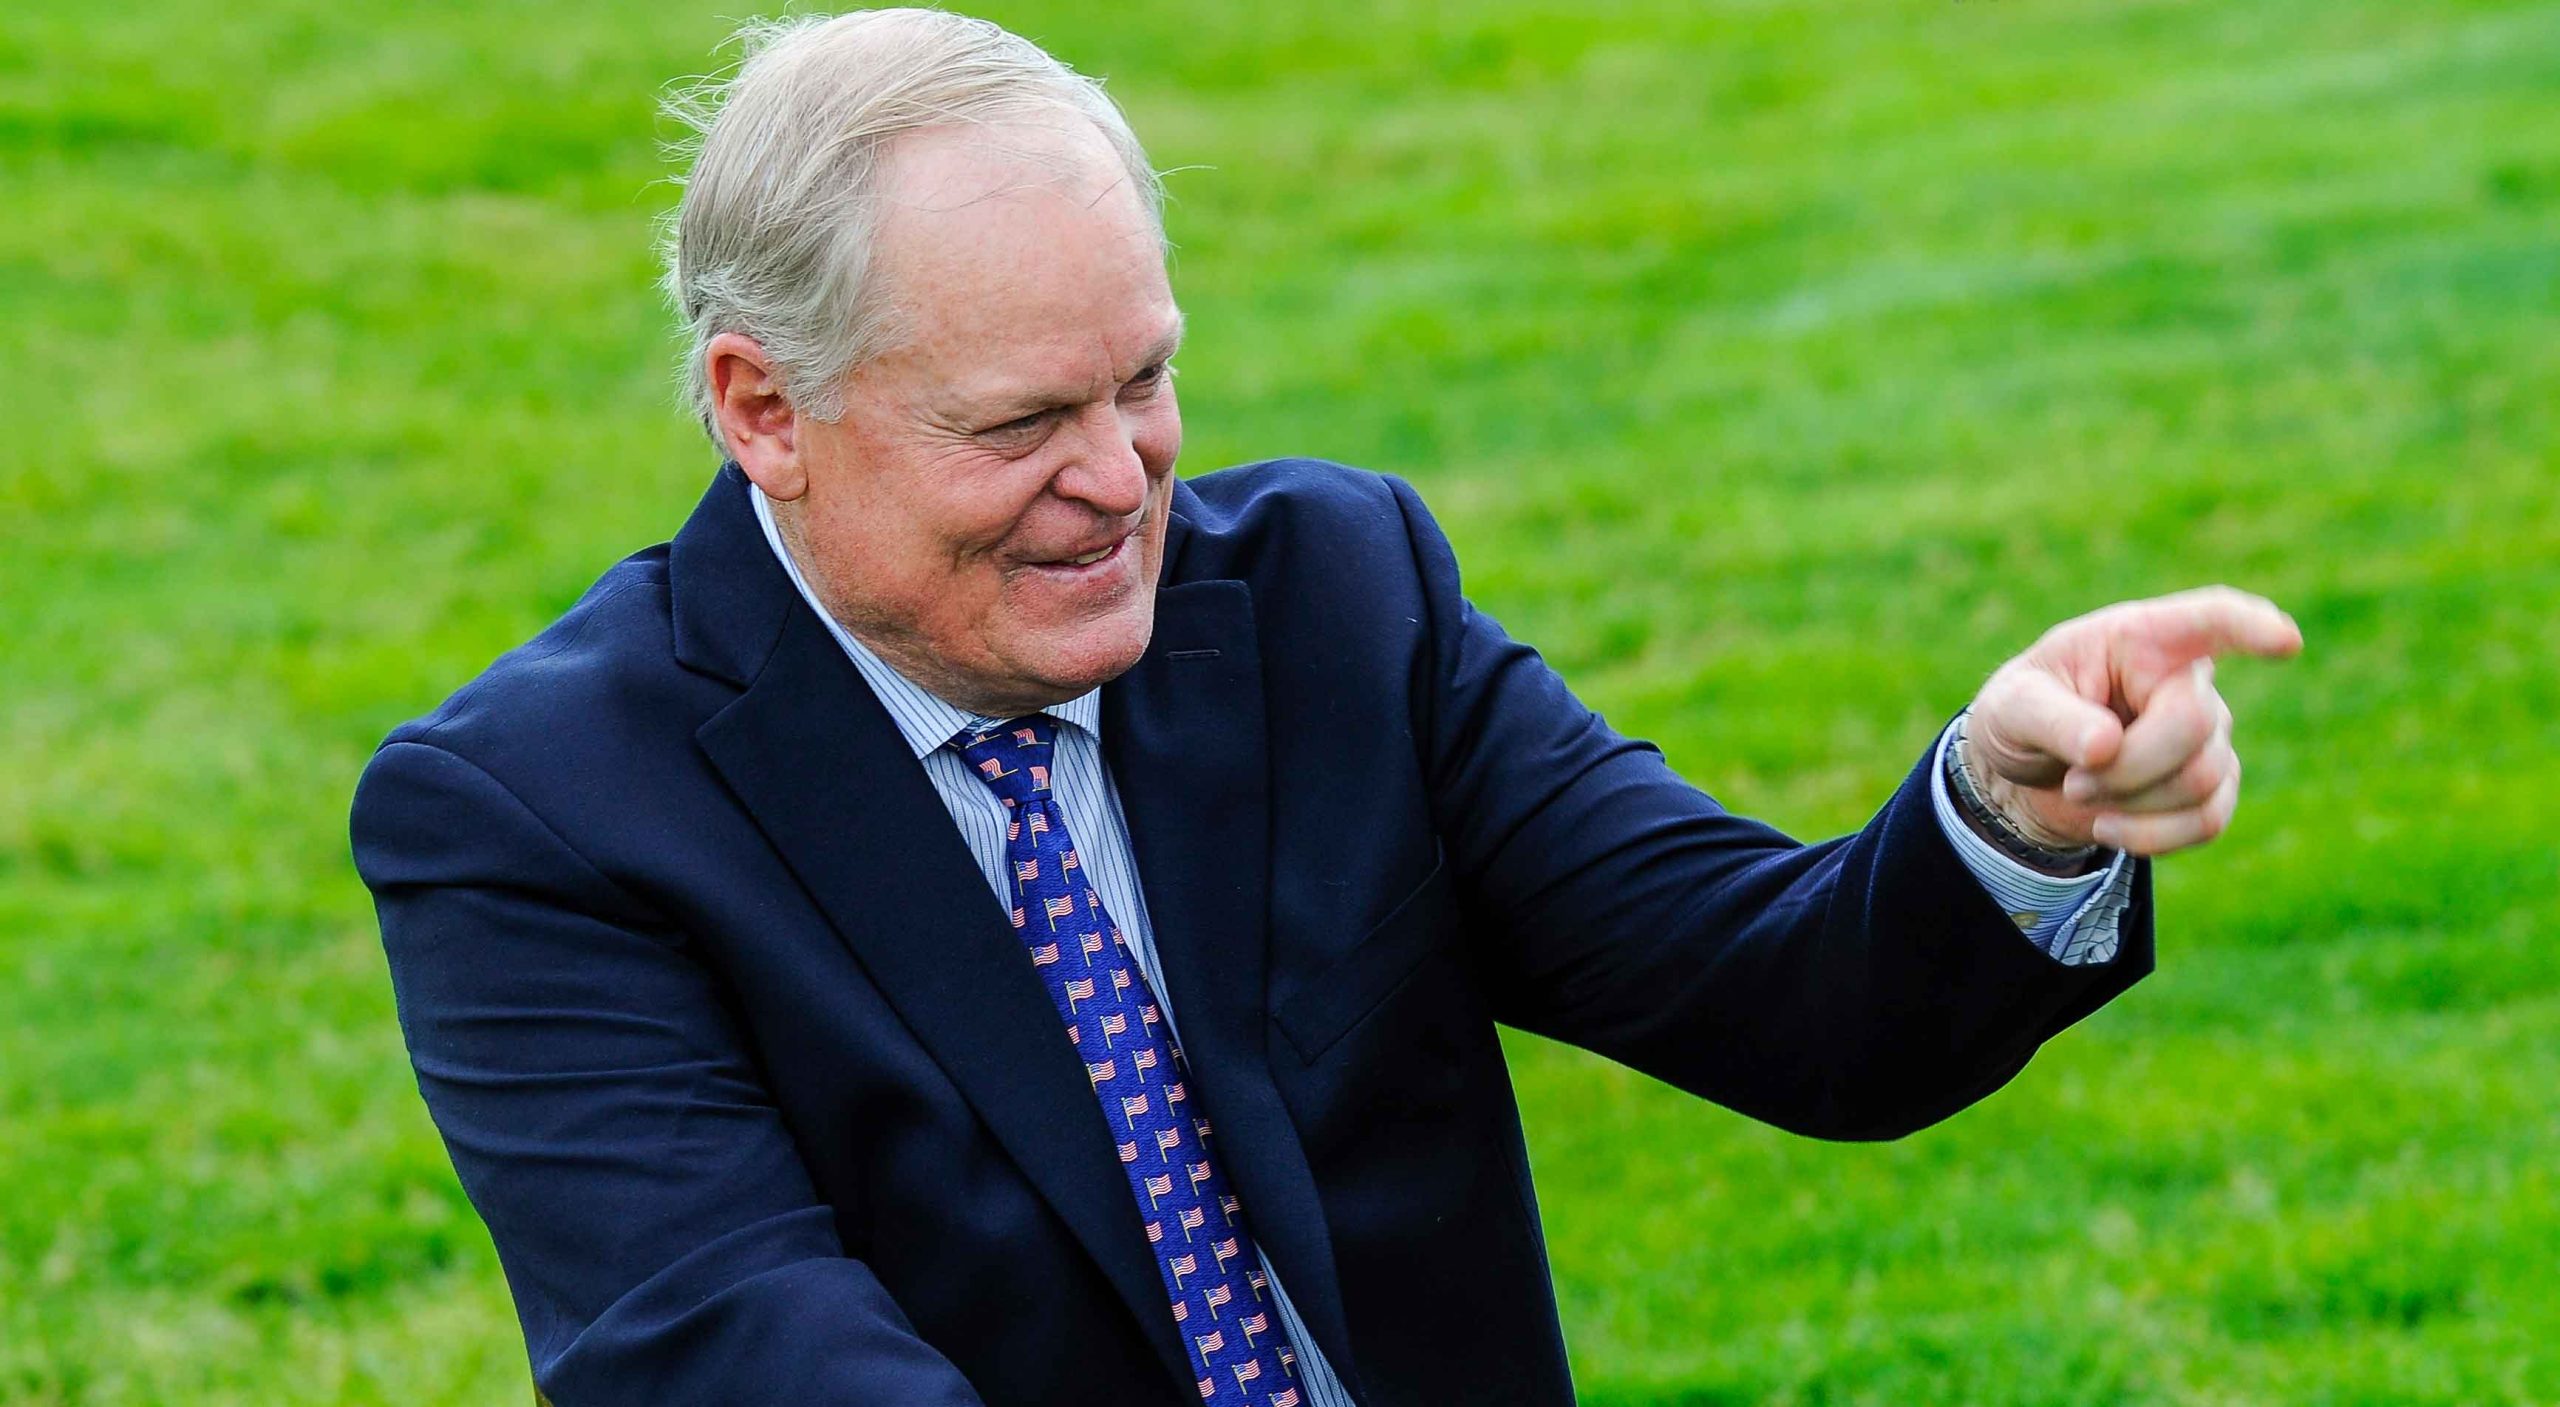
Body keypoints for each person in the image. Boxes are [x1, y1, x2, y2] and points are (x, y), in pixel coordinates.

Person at [348, 10, 2301, 1406]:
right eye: (1024, 422)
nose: (1122, 479)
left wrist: (2009, 803)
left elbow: (1789, 998)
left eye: (1142, 380)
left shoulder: (1328, 600)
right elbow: (728, 1341)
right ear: (765, 410)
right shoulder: (534, 812)